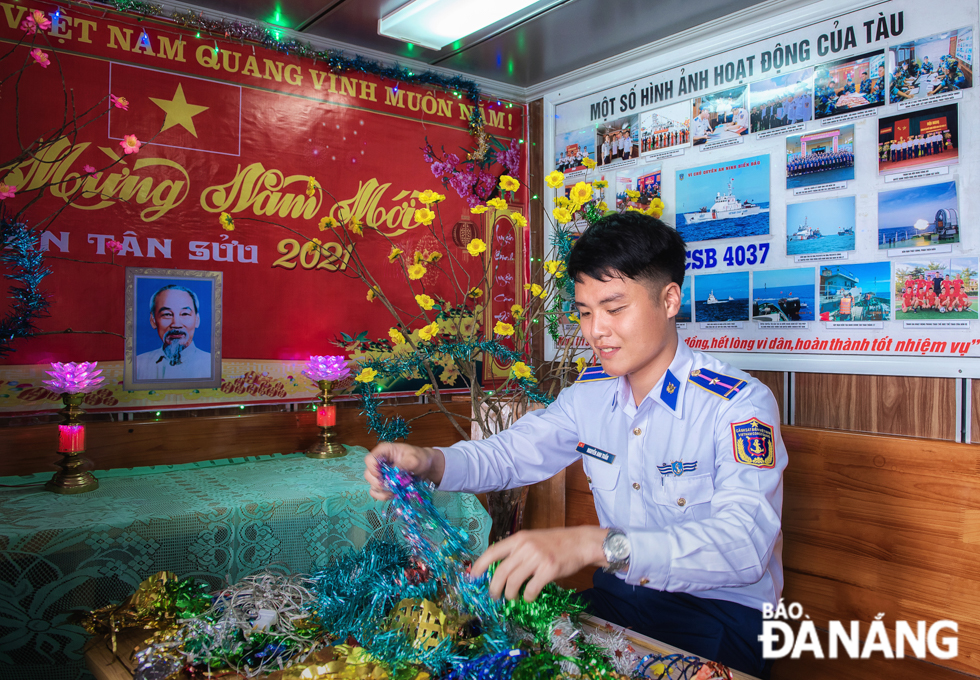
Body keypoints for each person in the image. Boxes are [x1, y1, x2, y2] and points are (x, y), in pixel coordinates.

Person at [364, 212, 785, 679]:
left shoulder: (736, 404)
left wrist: (597, 544)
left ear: (669, 300)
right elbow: (510, 455)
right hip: (621, 601)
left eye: (614, 308)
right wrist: (430, 461)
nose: (595, 331)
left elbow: (744, 546)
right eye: (585, 312)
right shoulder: (590, 394)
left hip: (722, 621)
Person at [135, 284, 213, 380]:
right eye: (167, 314)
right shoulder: (137, 364)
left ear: (197, 319)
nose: (176, 324)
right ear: (153, 320)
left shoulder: (212, 363)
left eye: (184, 314)